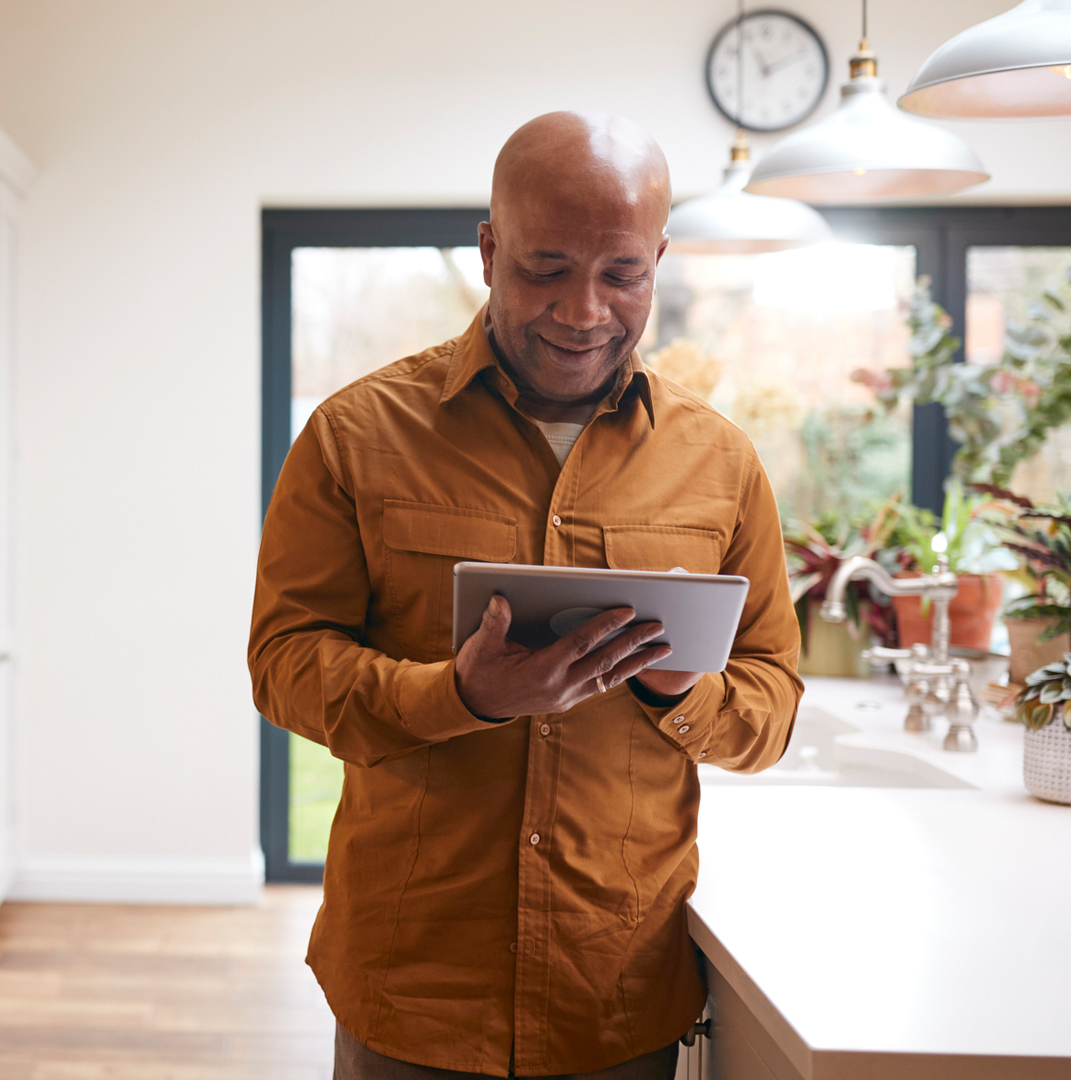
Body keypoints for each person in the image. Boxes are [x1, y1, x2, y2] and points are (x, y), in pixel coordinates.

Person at [247, 111, 802, 1079]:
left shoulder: (721, 465)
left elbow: (774, 706)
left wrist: (681, 692)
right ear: (489, 249)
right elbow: (284, 666)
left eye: (621, 273)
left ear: (659, 259)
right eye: (545, 269)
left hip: (617, 996)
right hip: (413, 993)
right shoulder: (353, 437)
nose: (584, 311)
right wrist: (460, 697)